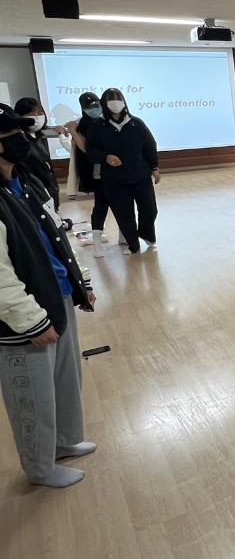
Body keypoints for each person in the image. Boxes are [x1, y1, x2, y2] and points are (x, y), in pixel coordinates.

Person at [0, 105, 96, 488]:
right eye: (9, 135)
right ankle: (40, 468)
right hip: (24, 319)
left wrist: (81, 280)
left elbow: (58, 238)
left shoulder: (28, 182)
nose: (20, 140)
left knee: (65, 378)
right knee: (32, 394)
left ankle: (64, 441)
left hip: (58, 295)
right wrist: (31, 321)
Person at [86, 88, 160, 255]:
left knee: (150, 210)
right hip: (114, 179)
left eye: (118, 98)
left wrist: (155, 167)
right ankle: (133, 245)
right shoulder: (97, 126)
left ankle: (146, 234)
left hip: (140, 175)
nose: (115, 102)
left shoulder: (136, 123)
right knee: (124, 214)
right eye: (111, 99)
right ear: (104, 103)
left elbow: (150, 146)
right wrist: (105, 157)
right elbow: (91, 151)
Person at [65, 92, 117, 258]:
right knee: (101, 206)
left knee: (121, 205)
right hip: (97, 173)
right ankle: (97, 243)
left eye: (97, 104)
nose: (95, 108)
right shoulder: (81, 125)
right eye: (90, 106)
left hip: (116, 170)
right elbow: (86, 149)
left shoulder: (108, 120)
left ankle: (125, 237)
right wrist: (73, 132)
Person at [13, 97, 60, 209]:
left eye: (40, 113)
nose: (37, 117)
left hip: (49, 190)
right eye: (30, 114)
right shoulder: (19, 140)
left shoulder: (39, 136)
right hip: (33, 193)